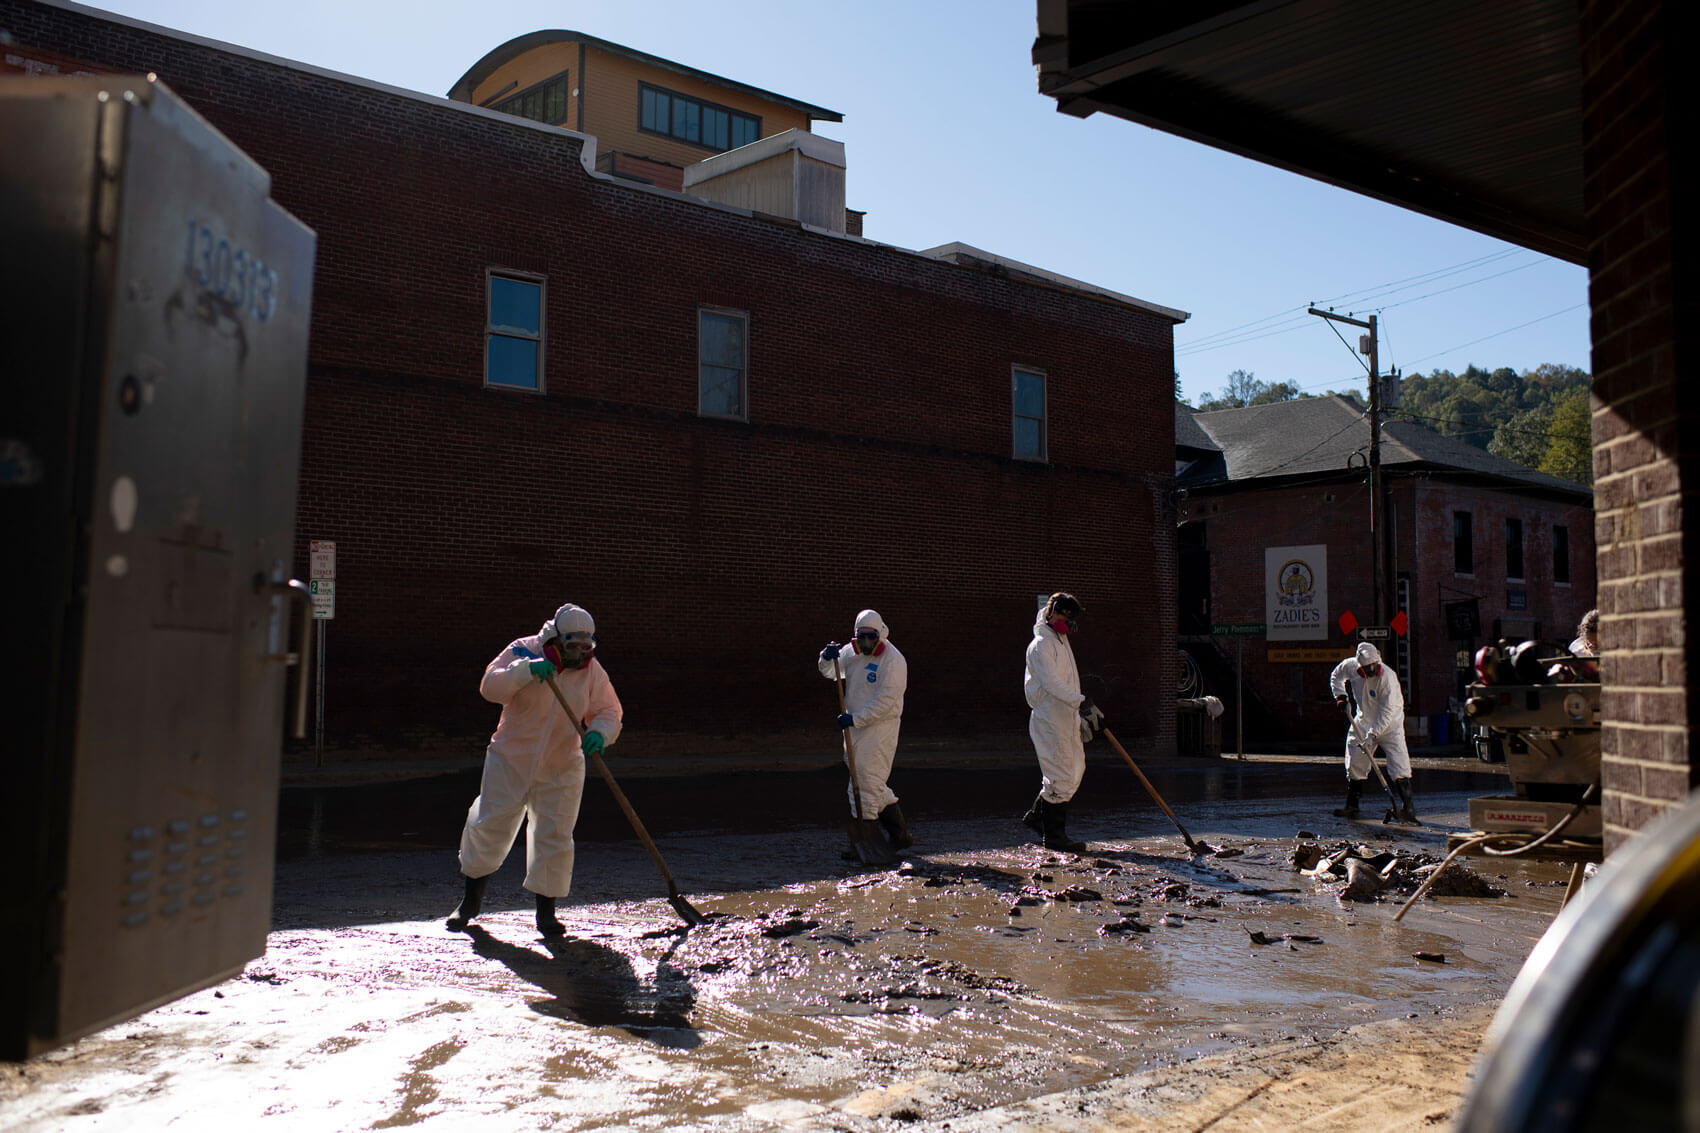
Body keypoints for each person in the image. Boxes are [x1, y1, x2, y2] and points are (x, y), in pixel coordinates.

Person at [447, 602, 623, 937]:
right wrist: (525, 671)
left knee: (554, 834)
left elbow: (608, 710)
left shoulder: (592, 670)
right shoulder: (522, 650)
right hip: (510, 758)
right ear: (557, 639)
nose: (580, 655)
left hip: (562, 763)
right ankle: (469, 902)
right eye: (573, 647)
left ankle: (546, 915)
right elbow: (490, 687)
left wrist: (600, 732)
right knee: (489, 824)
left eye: (587, 648)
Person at [818, 609, 912, 849]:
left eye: (871, 637)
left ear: (879, 634)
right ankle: (900, 836)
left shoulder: (893, 660)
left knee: (866, 781)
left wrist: (856, 718)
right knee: (868, 779)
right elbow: (832, 673)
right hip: (854, 727)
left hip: (880, 728)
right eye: (862, 638)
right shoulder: (852, 652)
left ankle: (866, 840)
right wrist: (828, 659)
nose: (867, 643)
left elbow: (886, 700)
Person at [1021, 592, 1102, 852]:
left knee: (1075, 769)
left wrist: (1078, 712)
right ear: (1051, 611)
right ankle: (1054, 837)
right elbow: (1052, 684)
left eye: (1071, 619)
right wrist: (1082, 702)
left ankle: (1037, 817)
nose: (1067, 623)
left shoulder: (1061, 641)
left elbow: (1067, 682)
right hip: (1049, 717)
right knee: (1060, 774)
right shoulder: (1040, 645)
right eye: (1064, 616)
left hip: (1065, 716)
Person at [1328, 642, 1415, 822]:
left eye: (1373, 667)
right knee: (1354, 762)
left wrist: (1373, 735)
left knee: (1399, 764)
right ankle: (1352, 805)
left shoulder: (1387, 678)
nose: (1370, 672)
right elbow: (1336, 676)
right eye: (1366, 668)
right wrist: (1341, 697)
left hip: (1391, 726)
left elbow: (1387, 713)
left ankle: (1408, 808)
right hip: (1363, 720)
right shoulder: (1351, 666)